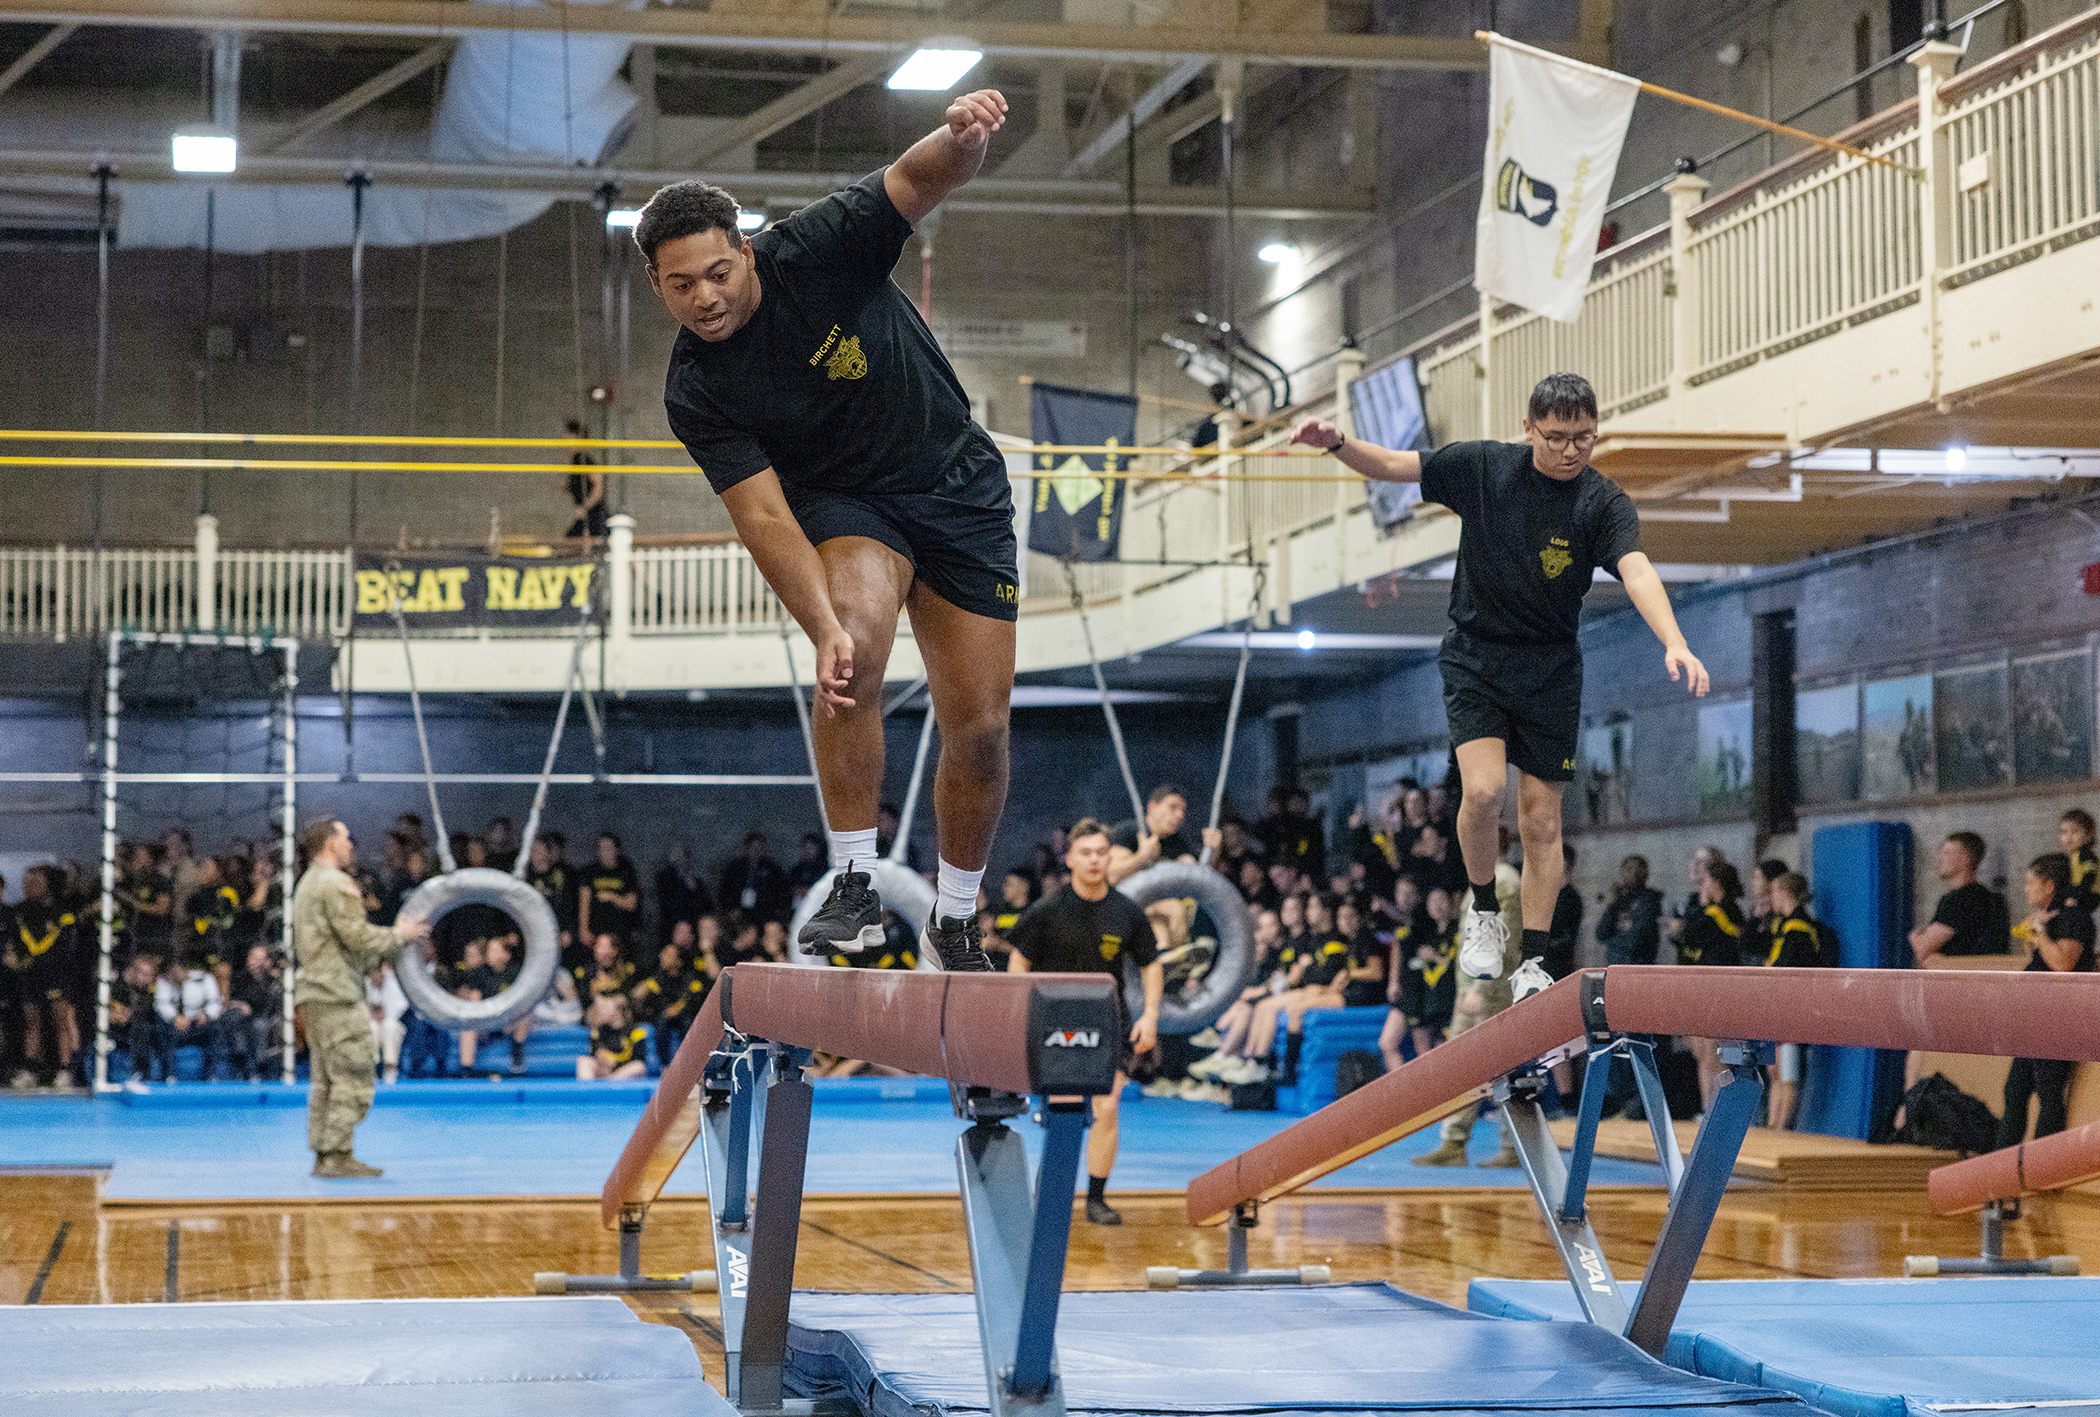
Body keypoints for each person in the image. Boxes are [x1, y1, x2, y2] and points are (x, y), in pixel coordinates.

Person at [638, 87, 1015, 974]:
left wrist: (962, 138)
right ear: (655, 284)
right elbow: (764, 515)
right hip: (850, 504)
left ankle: (956, 917)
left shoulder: (816, 246)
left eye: (718, 272)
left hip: (957, 485)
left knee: (983, 730)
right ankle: (854, 884)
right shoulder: (697, 386)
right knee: (854, 659)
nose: (706, 298)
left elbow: (918, 180)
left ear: (745, 249)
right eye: (681, 285)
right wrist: (823, 630)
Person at [1292, 371, 1709, 987]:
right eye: (1557, 437)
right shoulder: (1483, 469)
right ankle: (1483, 910)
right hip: (1477, 657)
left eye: (1585, 438)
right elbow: (1388, 466)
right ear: (1527, 429)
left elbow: (1637, 569)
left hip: (1551, 668)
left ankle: (1535, 961)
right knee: (1483, 792)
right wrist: (1336, 443)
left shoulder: (1601, 502)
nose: (1571, 450)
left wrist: (1674, 641)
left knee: (1542, 821)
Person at [1006, 818, 1164, 1226]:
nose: (1094, 860)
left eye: (1101, 853)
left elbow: (1151, 965)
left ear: (1109, 858)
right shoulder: (1046, 911)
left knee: (1107, 1107)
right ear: (1071, 858)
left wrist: (1150, 1015)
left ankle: (1096, 1198)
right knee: (1064, 1110)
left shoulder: (1127, 912)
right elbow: (1018, 962)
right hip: (1054, 1023)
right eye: (1086, 853)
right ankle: (1052, 1194)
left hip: (1109, 1022)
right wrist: (1017, 1013)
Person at [292, 817, 432, 1178]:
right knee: (354, 1073)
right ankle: (336, 1154)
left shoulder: (306, 884)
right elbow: (357, 936)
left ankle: (327, 1154)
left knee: (325, 1078)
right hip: (337, 993)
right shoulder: (336, 884)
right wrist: (398, 935)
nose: (352, 844)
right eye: (346, 837)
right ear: (329, 843)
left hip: (314, 992)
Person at [1999, 852, 2097, 1148]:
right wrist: (2034, 935)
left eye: (2031, 882)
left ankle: (2044, 1167)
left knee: (2049, 1093)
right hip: (2034, 1019)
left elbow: (2063, 964)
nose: (2026, 888)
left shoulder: (2074, 919)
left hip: (2060, 1019)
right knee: (2015, 1090)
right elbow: (2039, 964)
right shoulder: (2048, 919)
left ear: (2049, 885)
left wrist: (2039, 934)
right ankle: (2000, 1168)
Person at [1677, 861, 1746, 1111]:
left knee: (1719, 1056)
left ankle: (1719, 1110)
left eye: (1705, 881)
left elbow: (1699, 936)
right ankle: (1709, 1109)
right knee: (1705, 1055)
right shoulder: (1716, 912)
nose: (1701, 887)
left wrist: (1690, 919)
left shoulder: (1722, 913)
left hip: (1721, 990)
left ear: (1715, 884)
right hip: (1707, 988)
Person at [1762, 872, 1826, 1131]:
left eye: (1774, 892)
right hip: (1777, 1008)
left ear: (1784, 894)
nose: (1772, 898)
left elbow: (1789, 970)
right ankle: (1772, 1127)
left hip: (1791, 1010)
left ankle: (1781, 1129)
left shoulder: (1798, 927)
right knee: (1774, 1071)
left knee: (1787, 1074)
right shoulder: (1784, 926)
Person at [11, 865, 80, 1089]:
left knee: (61, 1021)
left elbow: (68, 945)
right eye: (26, 881)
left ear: (49, 884)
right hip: (30, 976)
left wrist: (46, 962)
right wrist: (17, 959)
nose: (28, 885)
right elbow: (15, 943)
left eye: (35, 881)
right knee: (32, 1022)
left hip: (57, 975)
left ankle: (65, 1071)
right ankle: (30, 1070)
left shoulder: (64, 911)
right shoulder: (20, 911)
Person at [1910, 832, 2011, 962]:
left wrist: (1915, 938)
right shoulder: (1994, 900)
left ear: (1964, 858)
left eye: (1947, 853)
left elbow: (1923, 948)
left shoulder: (1957, 901)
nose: (1941, 858)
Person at [1107, 783, 1222, 886]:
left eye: (1182, 810)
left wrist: (1212, 850)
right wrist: (1141, 857)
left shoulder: (1178, 840)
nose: (1180, 815)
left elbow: (1199, 877)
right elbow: (1112, 875)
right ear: (1152, 807)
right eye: (1173, 807)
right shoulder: (1128, 831)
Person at [1597, 855, 1663, 966]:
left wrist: (1612, 942)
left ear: (1643, 874)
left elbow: (1636, 941)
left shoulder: (1650, 902)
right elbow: (1601, 934)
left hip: (1639, 967)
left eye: (1631, 869)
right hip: (1616, 967)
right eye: (1624, 870)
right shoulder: (1621, 902)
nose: (1626, 875)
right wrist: (1613, 905)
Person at [580, 833, 642, 950]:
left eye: (608, 848)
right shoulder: (591, 871)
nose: (605, 852)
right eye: (602, 848)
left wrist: (612, 897)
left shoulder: (626, 869)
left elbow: (631, 903)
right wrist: (583, 929)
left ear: (616, 850)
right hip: (597, 930)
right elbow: (584, 901)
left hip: (620, 931)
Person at [720, 832, 792, 927]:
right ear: (746, 848)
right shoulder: (735, 868)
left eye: (759, 847)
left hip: (764, 911)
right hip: (740, 910)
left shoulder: (772, 869)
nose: (756, 850)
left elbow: (781, 893)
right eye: (753, 847)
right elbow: (726, 892)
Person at [578, 994, 650, 1081]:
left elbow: (639, 1060)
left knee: (638, 1066)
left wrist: (615, 1063)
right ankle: (587, 1092)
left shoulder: (636, 1031)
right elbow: (594, 1054)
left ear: (618, 1008)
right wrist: (602, 1062)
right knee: (583, 1061)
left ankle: (610, 1085)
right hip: (605, 1071)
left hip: (623, 1073)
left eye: (605, 1007)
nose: (600, 1010)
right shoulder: (598, 1031)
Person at [564, 418, 608, 540]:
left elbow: (598, 489)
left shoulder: (584, 460)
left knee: (573, 541)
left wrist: (585, 507)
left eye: (569, 440)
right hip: (587, 514)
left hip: (594, 514)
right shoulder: (575, 461)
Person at [2057, 810, 2098, 914]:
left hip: (2090, 893)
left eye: (2075, 832)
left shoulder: (2086, 855)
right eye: (2064, 832)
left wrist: (2076, 897)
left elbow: (2089, 877)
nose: (2069, 837)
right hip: (2080, 891)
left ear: (2088, 835)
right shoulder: (2074, 855)